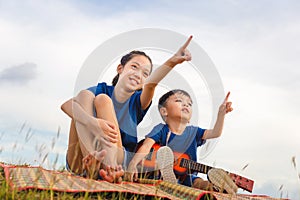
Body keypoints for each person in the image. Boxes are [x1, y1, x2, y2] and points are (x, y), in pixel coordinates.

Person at [61, 36, 193, 183]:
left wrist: (173, 60)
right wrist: (93, 124)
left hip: (115, 158)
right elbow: (66, 105)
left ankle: (108, 167)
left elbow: (151, 84)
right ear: (120, 69)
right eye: (134, 67)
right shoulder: (102, 88)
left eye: (145, 73)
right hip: (80, 160)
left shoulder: (137, 102)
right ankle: (92, 161)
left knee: (102, 100)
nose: (138, 75)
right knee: (83, 97)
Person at [125, 89, 238, 193]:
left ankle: (216, 187)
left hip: (186, 175)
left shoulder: (194, 132)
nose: (185, 104)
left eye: (189, 104)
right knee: (163, 159)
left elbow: (215, 133)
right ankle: (168, 178)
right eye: (179, 101)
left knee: (197, 181)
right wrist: (133, 163)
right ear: (164, 111)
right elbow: (146, 146)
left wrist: (221, 114)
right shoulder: (161, 129)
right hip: (158, 172)